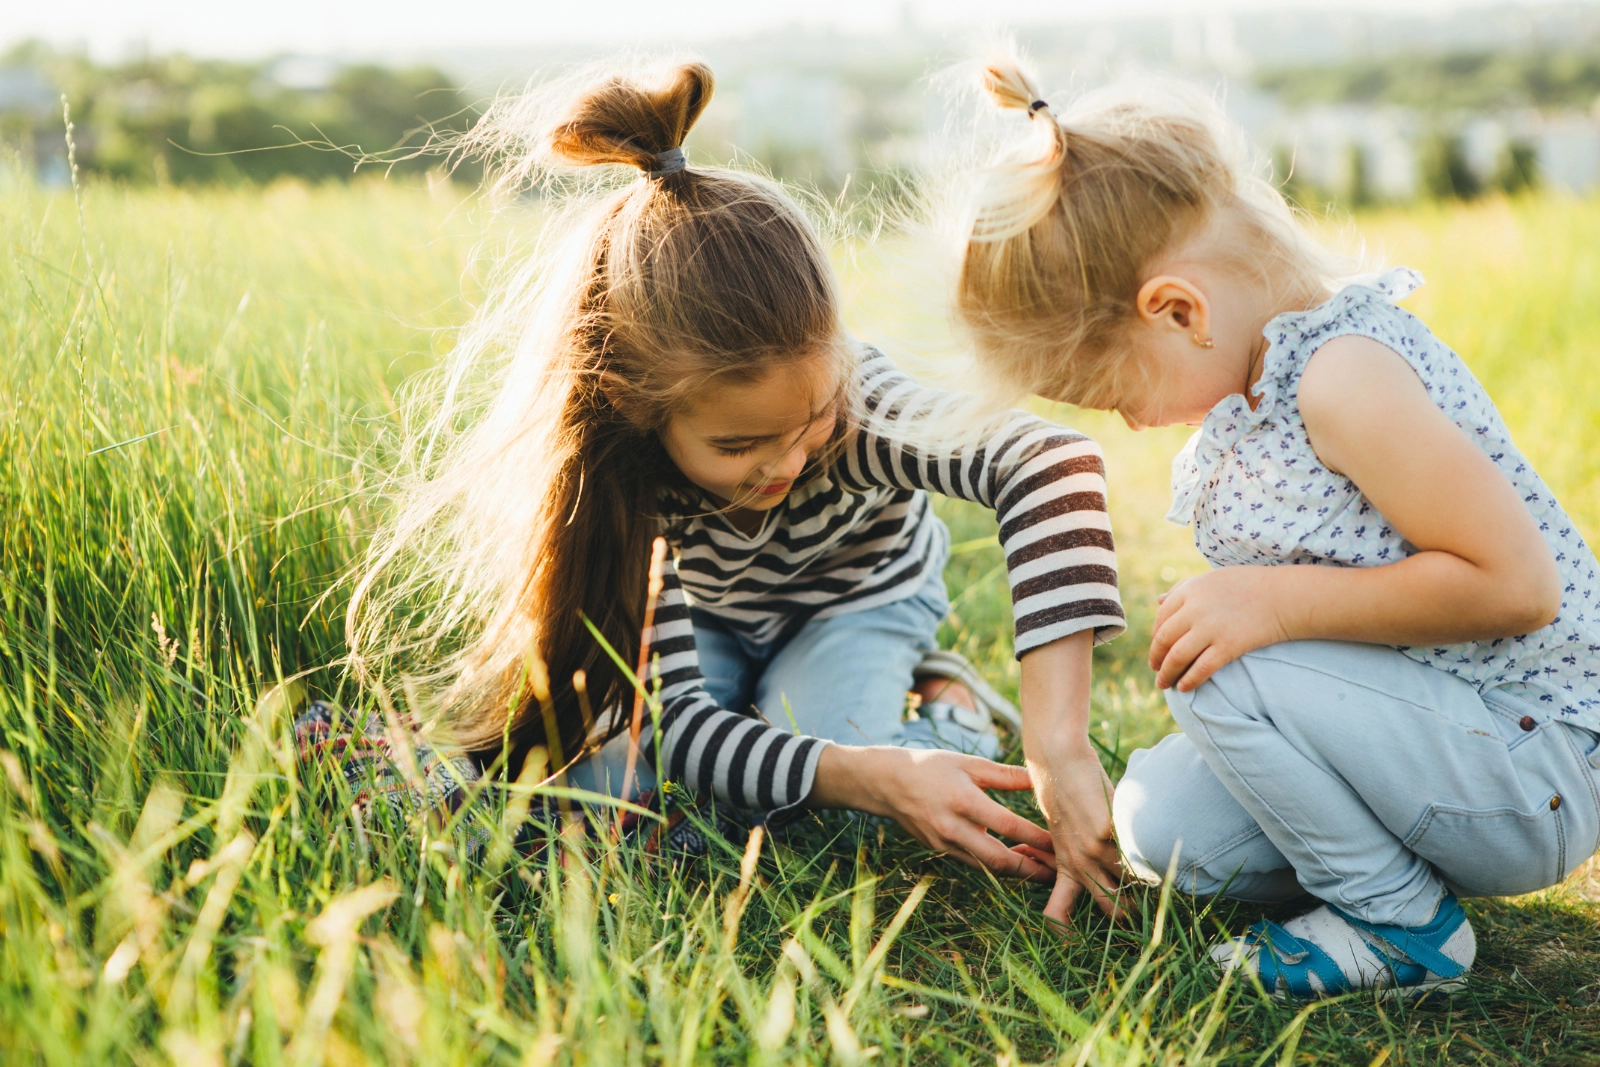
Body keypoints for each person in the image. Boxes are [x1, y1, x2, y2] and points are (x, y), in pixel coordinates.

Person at [343, 60, 1128, 908]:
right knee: (616, 772)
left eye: (811, 418)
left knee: (838, 797)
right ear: (639, 410)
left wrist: (1056, 741)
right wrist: (859, 773)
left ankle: (947, 709)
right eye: (739, 443)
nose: (789, 462)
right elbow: (684, 732)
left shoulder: (859, 411)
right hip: (707, 614)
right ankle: (832, 729)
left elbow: (1051, 463)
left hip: (854, 602)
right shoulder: (623, 478)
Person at [944, 58, 1600, 996]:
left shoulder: (1344, 379)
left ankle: (1403, 926)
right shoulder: (1260, 383)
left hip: (1531, 764)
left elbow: (1518, 587)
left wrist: (1273, 605)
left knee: (1224, 649)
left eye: (1111, 393)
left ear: (1178, 311)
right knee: (1162, 825)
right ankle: (1394, 874)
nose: (1127, 423)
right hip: (1437, 732)